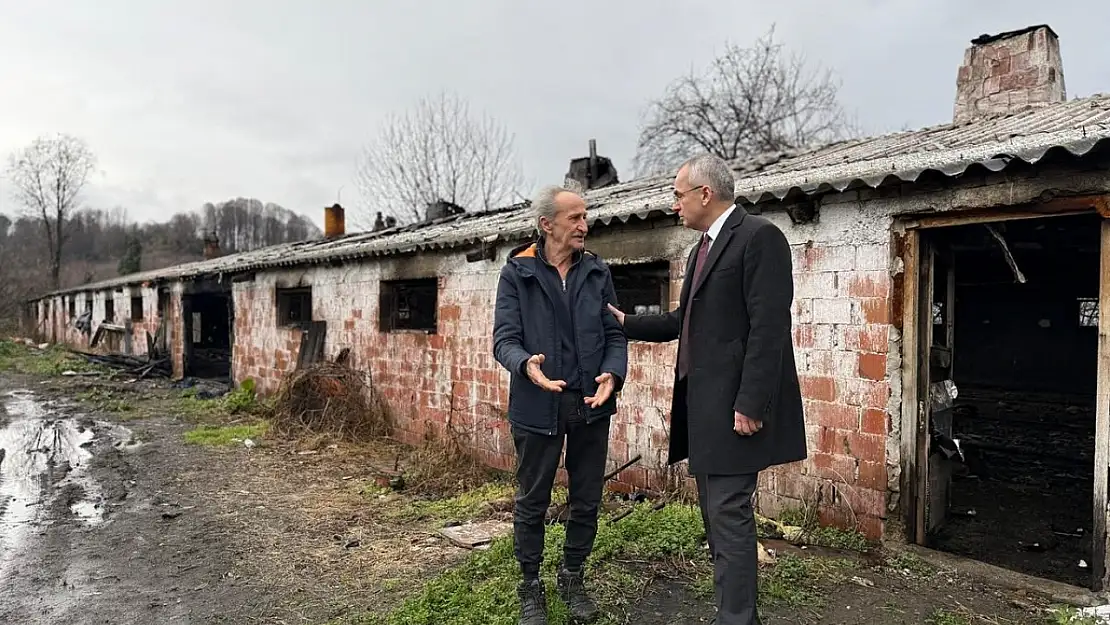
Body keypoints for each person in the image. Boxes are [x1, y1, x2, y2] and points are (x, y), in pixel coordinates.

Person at [607, 154, 806, 625]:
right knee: (717, 519)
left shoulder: (760, 237)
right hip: (706, 410)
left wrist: (751, 402)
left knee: (729, 516)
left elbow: (769, 326)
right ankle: (737, 615)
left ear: (704, 194)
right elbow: (685, 322)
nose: (673, 204)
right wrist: (627, 322)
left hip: (737, 409)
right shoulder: (702, 249)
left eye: (677, 194)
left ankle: (736, 619)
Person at [493, 185, 628, 625]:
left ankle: (573, 577)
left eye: (585, 217)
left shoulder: (596, 271)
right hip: (537, 404)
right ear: (547, 224)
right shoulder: (518, 272)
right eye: (575, 218)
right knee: (532, 499)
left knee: (586, 498)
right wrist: (525, 365)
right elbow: (504, 340)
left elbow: (613, 335)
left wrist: (613, 373)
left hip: (590, 403)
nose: (584, 226)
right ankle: (530, 585)